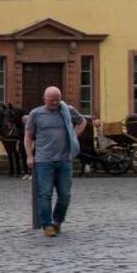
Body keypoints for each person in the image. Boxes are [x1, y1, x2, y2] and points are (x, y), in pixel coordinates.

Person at [25, 86, 88, 238]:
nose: (54, 102)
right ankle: (47, 225)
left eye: (57, 99)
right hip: (44, 160)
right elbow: (28, 136)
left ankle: (57, 221)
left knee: (65, 195)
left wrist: (73, 135)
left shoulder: (67, 110)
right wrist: (29, 155)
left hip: (64, 160)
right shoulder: (36, 114)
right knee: (45, 194)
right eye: (51, 99)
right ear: (44, 99)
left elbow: (82, 122)